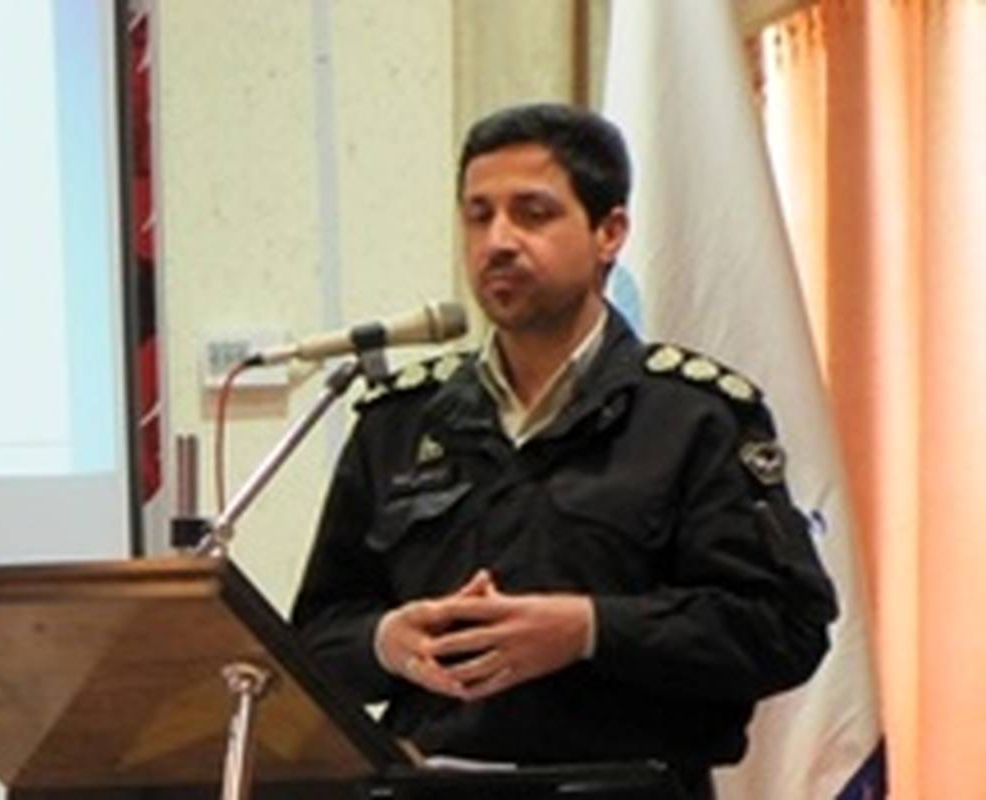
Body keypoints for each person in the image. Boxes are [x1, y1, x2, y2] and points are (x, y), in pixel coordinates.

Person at [290, 103, 837, 798]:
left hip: (625, 787)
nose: (498, 241)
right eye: (479, 215)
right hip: (431, 781)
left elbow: (783, 629)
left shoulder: (693, 415)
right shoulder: (401, 420)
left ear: (609, 232)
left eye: (533, 213)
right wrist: (385, 642)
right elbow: (312, 640)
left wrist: (589, 629)